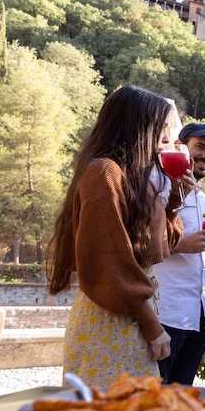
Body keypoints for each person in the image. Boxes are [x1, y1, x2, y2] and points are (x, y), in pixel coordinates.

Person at [47, 85, 183, 388]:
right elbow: (110, 262)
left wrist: (174, 198)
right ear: (135, 126)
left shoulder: (135, 177)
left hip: (131, 313)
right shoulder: (104, 172)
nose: (166, 138)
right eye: (159, 128)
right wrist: (152, 325)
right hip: (110, 315)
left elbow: (161, 246)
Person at [153, 123, 205, 384]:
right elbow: (138, 245)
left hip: (199, 317)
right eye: (200, 147)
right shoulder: (158, 186)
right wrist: (183, 245)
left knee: (179, 397)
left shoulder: (203, 199)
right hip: (166, 316)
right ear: (180, 147)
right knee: (154, 400)